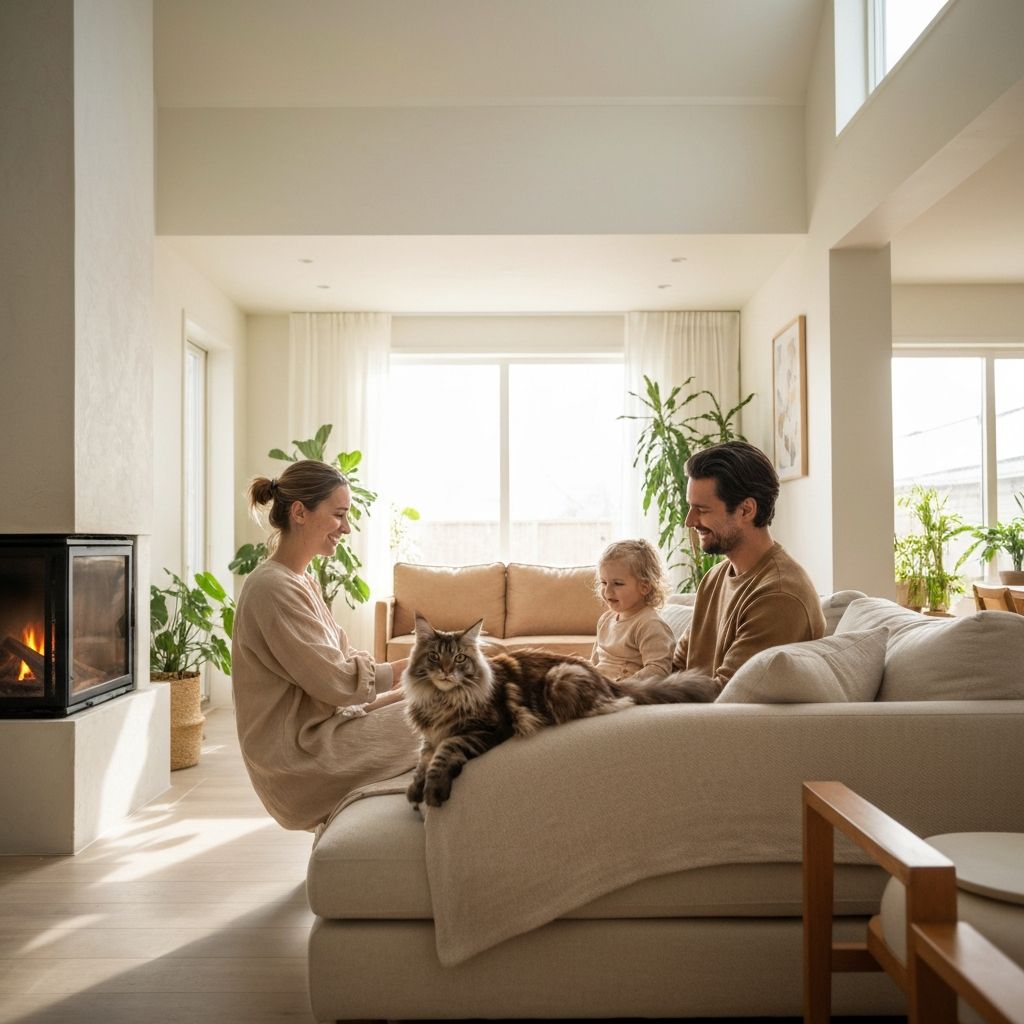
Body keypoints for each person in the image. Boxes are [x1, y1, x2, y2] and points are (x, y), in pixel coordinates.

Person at [231, 459, 419, 831]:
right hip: (302, 762)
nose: (346, 528)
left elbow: (341, 667)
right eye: (338, 515)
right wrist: (399, 671)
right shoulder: (272, 589)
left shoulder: (300, 581)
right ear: (300, 512)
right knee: (453, 712)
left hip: (320, 736)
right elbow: (336, 681)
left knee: (432, 698)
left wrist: (404, 685)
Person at [671, 440, 825, 698]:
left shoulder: (778, 596)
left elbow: (728, 696)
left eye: (702, 510)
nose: (690, 521)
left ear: (746, 510)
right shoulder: (715, 578)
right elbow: (675, 667)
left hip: (726, 733)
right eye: (690, 507)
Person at [591, 539, 675, 682]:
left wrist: (621, 686)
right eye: (604, 582)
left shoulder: (650, 624)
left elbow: (658, 670)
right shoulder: (605, 620)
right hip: (600, 687)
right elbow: (594, 664)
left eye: (617, 584)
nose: (607, 591)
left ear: (644, 587)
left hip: (625, 692)